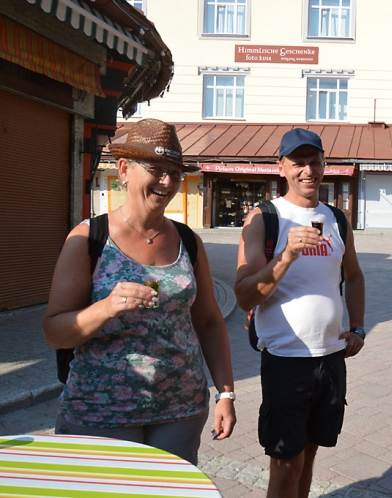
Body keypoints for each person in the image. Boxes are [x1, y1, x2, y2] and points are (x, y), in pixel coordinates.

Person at [42, 119, 236, 464]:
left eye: (174, 173)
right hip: (101, 410)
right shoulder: (88, 238)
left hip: (181, 408)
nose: (167, 182)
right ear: (124, 170)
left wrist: (226, 393)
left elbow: (208, 321)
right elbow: (55, 332)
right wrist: (106, 307)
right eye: (156, 170)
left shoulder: (188, 241)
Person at [234, 128, 366, 498]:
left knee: (309, 454)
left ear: (325, 165)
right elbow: (244, 296)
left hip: (331, 357)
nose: (308, 170)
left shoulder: (337, 220)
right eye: (298, 163)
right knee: (286, 462)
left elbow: (354, 276)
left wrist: (357, 326)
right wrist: (287, 255)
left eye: (315, 162)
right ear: (282, 168)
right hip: (286, 359)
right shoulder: (264, 218)